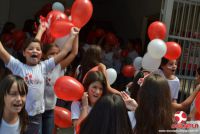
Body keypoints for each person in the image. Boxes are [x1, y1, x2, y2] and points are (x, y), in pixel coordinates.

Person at [0, 23, 79, 134]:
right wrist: (40, 31)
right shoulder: (18, 67)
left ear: (41, 54)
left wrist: (72, 36)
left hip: (37, 117)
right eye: (30, 49)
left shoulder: (44, 66)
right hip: (20, 115)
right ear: (24, 53)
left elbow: (64, 52)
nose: (34, 51)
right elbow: (2, 52)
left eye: (38, 49)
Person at [41, 34, 79, 134]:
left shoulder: (59, 66)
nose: (55, 56)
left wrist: (75, 35)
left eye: (57, 53)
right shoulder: (39, 66)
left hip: (51, 109)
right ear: (43, 55)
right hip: (36, 111)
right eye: (52, 53)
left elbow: (73, 53)